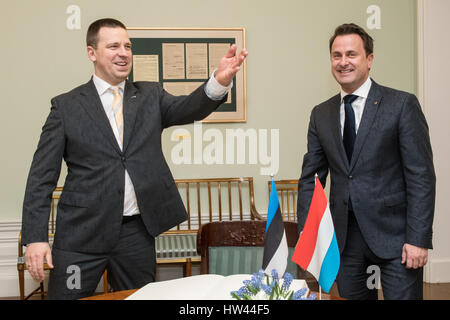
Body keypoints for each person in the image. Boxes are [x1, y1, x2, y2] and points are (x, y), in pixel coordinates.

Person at [21, 18, 248, 299]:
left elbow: (189, 107)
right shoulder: (65, 107)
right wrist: (35, 237)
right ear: (92, 53)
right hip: (80, 236)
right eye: (113, 46)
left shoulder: (150, 96)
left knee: (139, 298)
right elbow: (40, 178)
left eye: (127, 46)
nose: (123, 52)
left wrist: (219, 81)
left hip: (135, 235)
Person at [296, 23, 435, 300]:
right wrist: (307, 232)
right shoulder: (320, 114)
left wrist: (418, 239)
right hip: (345, 242)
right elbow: (311, 180)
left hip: (397, 239)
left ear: (369, 60)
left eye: (351, 54)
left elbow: (421, 176)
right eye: (337, 55)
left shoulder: (401, 105)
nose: (343, 62)